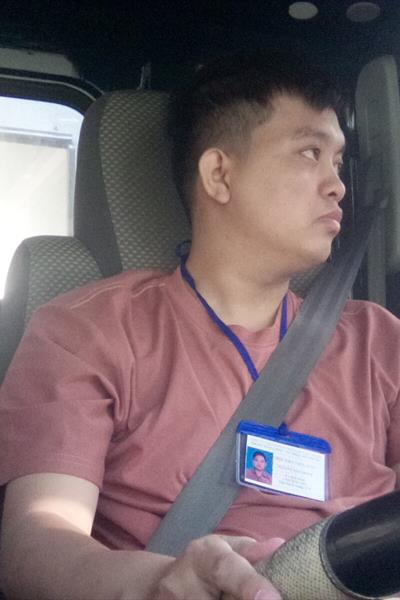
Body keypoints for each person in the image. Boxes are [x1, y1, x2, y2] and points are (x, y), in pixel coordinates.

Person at [0, 49, 399, 600]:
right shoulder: (90, 329)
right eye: (310, 153)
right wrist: (159, 582)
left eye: (338, 162)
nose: (337, 186)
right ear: (219, 174)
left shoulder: (379, 341)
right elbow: (36, 545)